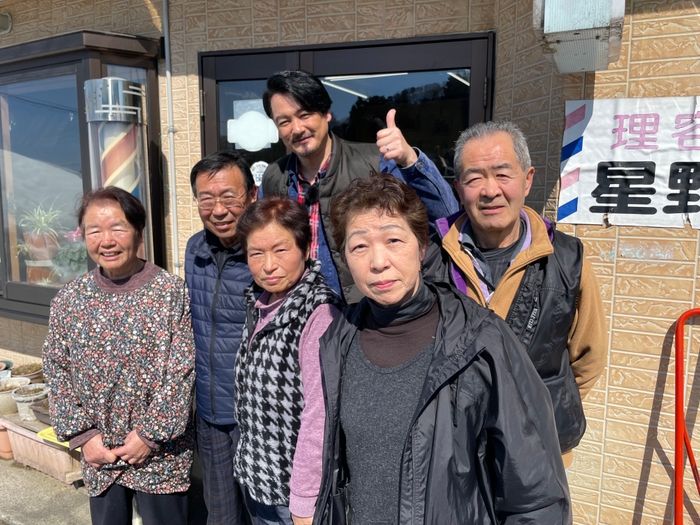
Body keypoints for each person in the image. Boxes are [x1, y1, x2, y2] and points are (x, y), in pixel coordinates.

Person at [313, 173, 571, 525]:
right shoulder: (338, 339)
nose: (378, 262)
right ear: (344, 257)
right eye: (359, 246)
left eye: (393, 240)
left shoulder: (481, 341)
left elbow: (536, 496)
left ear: (422, 248)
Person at [430, 120, 607, 468]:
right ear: (458, 188)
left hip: (539, 452)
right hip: (454, 455)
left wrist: (545, 406)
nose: (490, 190)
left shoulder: (567, 259)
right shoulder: (432, 259)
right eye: (474, 178)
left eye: (502, 174)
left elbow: (589, 356)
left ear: (527, 179)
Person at [42, 187, 195, 525]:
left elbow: (182, 372)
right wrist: (84, 437)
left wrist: (149, 435)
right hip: (100, 453)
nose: (106, 241)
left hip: (160, 454)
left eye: (118, 227)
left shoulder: (170, 292)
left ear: (138, 230)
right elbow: (55, 368)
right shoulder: (70, 299)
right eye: (94, 230)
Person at [260, 69, 459, 303]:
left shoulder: (375, 162)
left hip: (364, 310)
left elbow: (447, 218)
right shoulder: (274, 177)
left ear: (326, 113)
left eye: (305, 115)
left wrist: (409, 160)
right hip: (300, 310)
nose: (296, 129)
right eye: (284, 121)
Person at [232, 197, 343, 525]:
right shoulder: (260, 302)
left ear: (305, 248)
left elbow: (319, 417)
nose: (268, 265)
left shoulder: (319, 313)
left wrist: (304, 502)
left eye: (280, 250)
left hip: (292, 496)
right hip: (258, 479)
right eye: (256, 253)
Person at [185, 150, 258, 525]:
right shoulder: (194, 249)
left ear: (252, 195)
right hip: (210, 414)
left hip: (257, 418)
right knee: (221, 515)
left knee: (265, 513)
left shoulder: (266, 255)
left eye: (229, 196)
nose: (218, 210)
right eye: (206, 199)